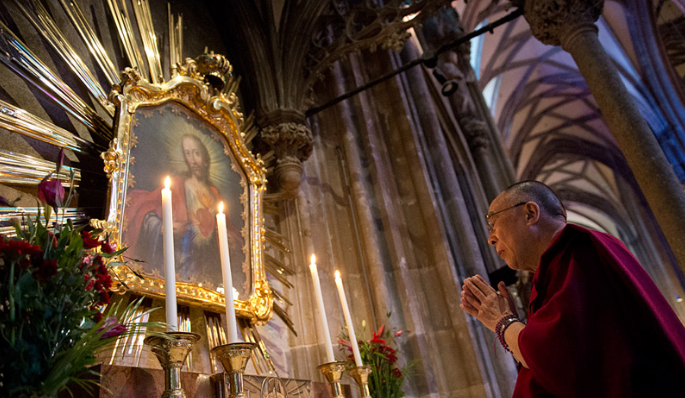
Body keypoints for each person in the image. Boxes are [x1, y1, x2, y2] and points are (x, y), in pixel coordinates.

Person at [460, 180, 685, 397]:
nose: (490, 238)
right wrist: (514, 326)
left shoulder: (578, 253)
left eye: (493, 224)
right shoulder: (556, 268)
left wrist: (502, 321)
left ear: (530, 213)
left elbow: (555, 360)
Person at [125, 134, 243, 286]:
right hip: (175, 265)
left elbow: (226, 228)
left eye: (196, 153)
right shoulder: (177, 185)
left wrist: (230, 238)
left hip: (206, 271)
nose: (192, 160)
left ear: (205, 156)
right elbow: (142, 208)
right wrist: (162, 227)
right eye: (188, 153)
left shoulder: (213, 193)